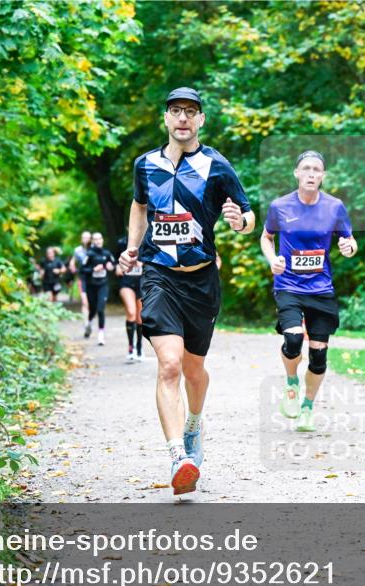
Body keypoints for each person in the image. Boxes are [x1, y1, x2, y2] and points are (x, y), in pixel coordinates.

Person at [118, 86, 254, 495]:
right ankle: (179, 456)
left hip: (200, 280)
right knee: (170, 366)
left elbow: (248, 216)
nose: (183, 118)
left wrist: (238, 221)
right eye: (176, 111)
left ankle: (195, 422)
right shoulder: (145, 165)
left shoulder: (216, 165)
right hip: (159, 275)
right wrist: (131, 246)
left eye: (190, 112)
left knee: (194, 369)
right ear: (166, 118)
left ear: (201, 121)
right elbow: (139, 206)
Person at [259, 150, 357, 431]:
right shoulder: (280, 206)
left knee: (318, 355)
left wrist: (349, 247)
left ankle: (307, 408)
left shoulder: (335, 207)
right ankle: (291, 385)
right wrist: (272, 259)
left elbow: (349, 240)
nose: (312, 174)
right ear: (297, 174)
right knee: (292, 339)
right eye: (306, 169)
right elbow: (266, 238)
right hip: (288, 285)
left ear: (323, 176)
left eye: (317, 169)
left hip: (321, 288)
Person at [82, 232, 115, 346]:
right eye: (95, 239)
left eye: (99, 239)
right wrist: (93, 269)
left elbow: (113, 264)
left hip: (103, 285)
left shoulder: (107, 253)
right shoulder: (89, 254)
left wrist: (111, 267)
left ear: (102, 240)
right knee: (93, 309)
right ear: (92, 241)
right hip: (91, 286)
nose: (98, 241)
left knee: (101, 309)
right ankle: (89, 324)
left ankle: (101, 335)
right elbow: (82, 269)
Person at [116, 235, 145, 362]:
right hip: (126, 283)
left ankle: (139, 347)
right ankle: (130, 347)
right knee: (131, 313)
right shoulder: (122, 243)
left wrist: (142, 263)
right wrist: (118, 266)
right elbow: (115, 260)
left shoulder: (148, 242)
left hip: (141, 284)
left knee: (140, 318)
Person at [69, 231, 92, 336]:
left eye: (88, 237)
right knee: (84, 302)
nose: (86, 239)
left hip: (93, 279)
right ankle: (86, 324)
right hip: (82, 278)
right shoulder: (77, 250)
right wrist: (72, 267)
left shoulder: (94, 249)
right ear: (81, 239)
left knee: (92, 304)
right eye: (84, 237)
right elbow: (72, 262)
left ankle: (89, 321)